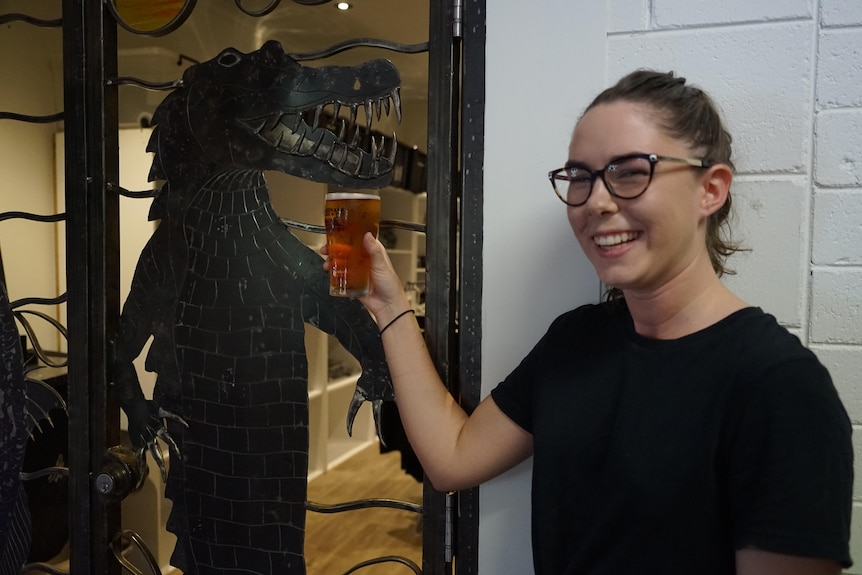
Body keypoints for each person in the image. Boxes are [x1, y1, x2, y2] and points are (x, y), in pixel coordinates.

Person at [324, 70, 854, 574]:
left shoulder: (780, 387)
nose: (595, 202)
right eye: (579, 177)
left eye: (629, 172)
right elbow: (453, 458)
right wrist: (389, 307)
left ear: (710, 190)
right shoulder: (576, 340)